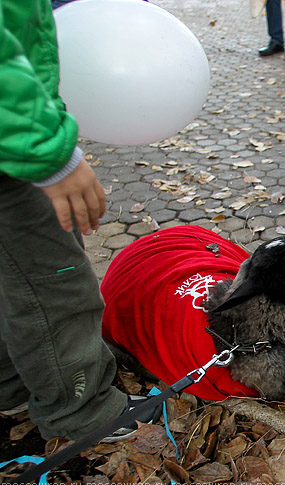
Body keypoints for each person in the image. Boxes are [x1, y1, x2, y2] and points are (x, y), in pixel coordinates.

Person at [0, 0, 157, 442]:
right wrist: (49, 153)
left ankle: (13, 381)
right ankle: (82, 409)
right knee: (55, 284)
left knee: (10, 275)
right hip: (15, 149)